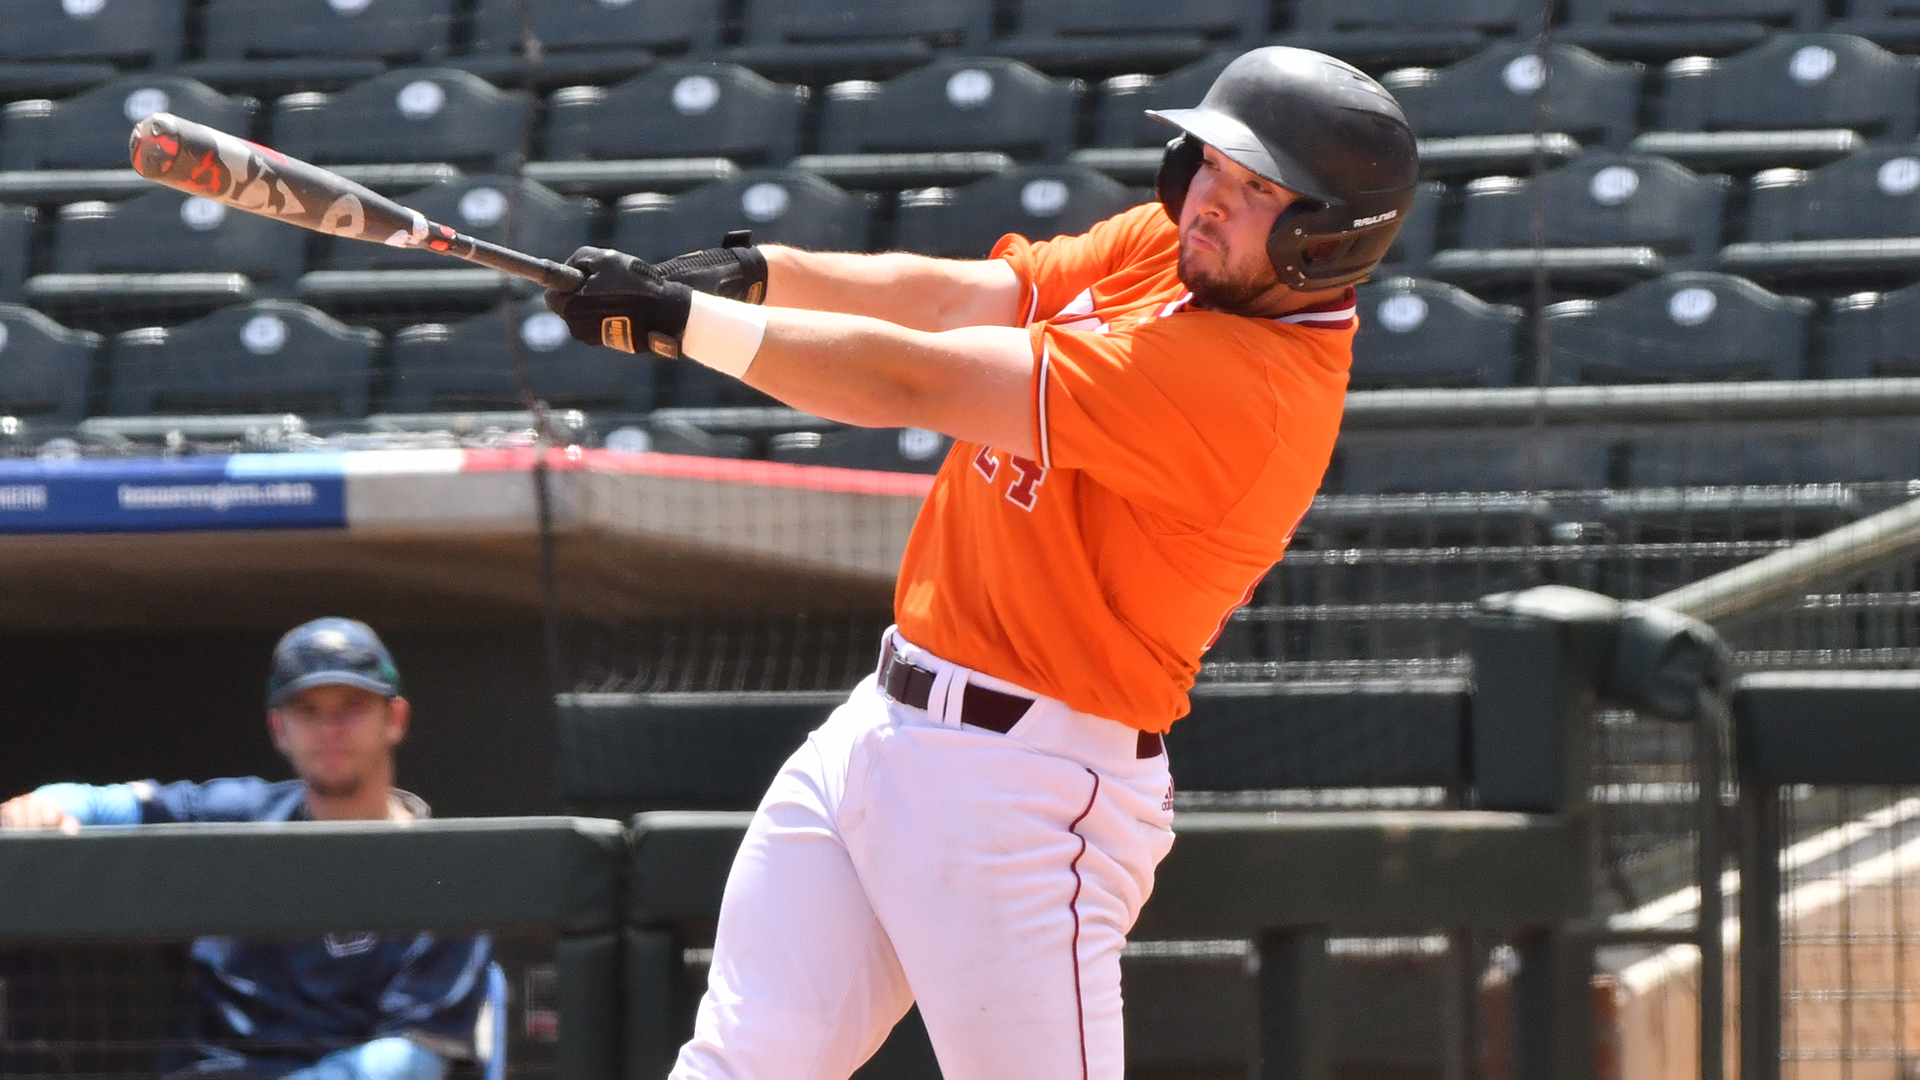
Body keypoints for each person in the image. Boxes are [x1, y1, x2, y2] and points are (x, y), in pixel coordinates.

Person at [544, 45, 1420, 1080]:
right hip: (882, 726)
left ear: (1330, 234)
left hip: (1027, 789)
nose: (1212, 200)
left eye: (1259, 187)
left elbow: (915, 382)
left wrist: (689, 327)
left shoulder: (1251, 391)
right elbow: (967, 297)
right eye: (1212, 167)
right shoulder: (1183, 250)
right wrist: (764, 274)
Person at [0, 618, 496, 1080]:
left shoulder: (444, 872)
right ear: (279, 728)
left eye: (353, 706)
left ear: (396, 719)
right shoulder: (242, 812)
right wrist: (44, 805)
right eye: (308, 710)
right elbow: (111, 804)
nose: (330, 729)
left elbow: (415, 1056)